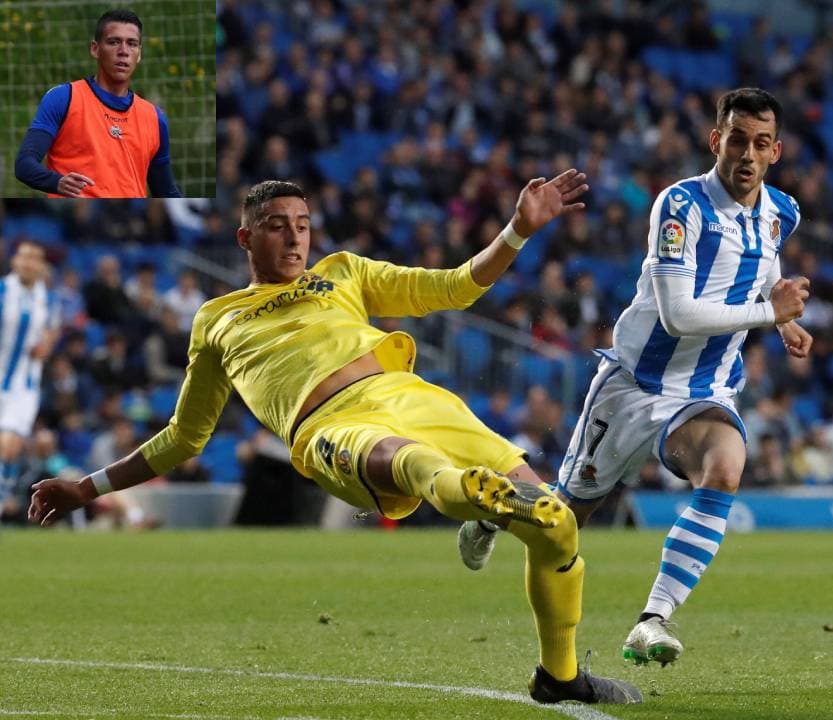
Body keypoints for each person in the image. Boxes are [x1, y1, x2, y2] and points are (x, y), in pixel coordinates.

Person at [27, 176, 641, 705]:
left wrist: (516, 230)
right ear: (245, 239)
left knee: (558, 522)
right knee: (411, 464)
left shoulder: (343, 273)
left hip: (413, 398)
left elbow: (455, 287)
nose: (295, 237)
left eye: (302, 224)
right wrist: (87, 487)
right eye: (276, 226)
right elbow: (185, 437)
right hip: (331, 427)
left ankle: (559, 676)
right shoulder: (218, 318)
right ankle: (477, 501)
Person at [459, 87, 812, 667]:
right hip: (634, 384)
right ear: (715, 140)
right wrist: (769, 314)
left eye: (762, 143)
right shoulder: (681, 206)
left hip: (703, 391)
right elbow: (679, 315)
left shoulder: (783, 212)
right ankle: (499, 508)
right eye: (738, 140)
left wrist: (779, 323)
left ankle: (653, 620)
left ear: (777, 150)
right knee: (562, 522)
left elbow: (763, 266)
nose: (748, 153)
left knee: (725, 467)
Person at [14, 9, 182, 198]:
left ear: (139, 54)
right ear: (95, 49)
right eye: (114, 42)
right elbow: (24, 164)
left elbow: (166, 191)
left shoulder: (154, 118)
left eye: (132, 44)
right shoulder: (64, 98)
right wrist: (56, 182)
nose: (123, 51)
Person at [1, 241, 59, 515]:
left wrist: (47, 344)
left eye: (33, 258)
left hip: (23, 385)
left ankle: (3, 498)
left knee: (10, 445)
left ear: (40, 266)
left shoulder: (47, 299)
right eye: (23, 257)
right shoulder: (2, 291)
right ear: (15, 261)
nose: (27, 263)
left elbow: (52, 331)